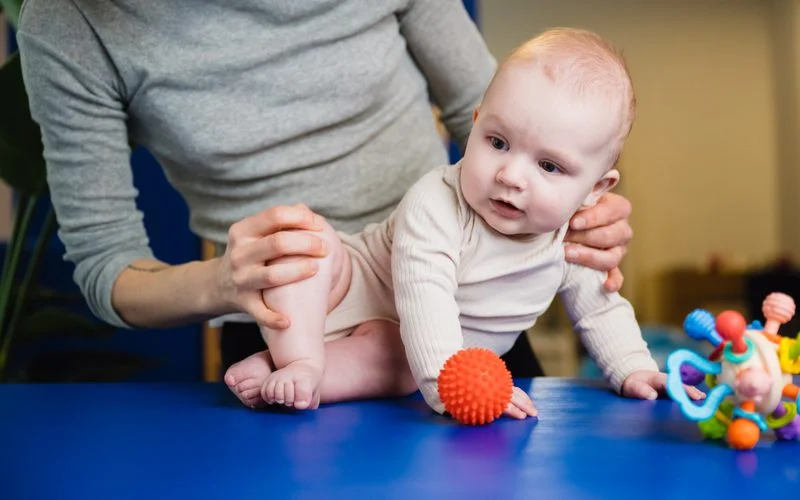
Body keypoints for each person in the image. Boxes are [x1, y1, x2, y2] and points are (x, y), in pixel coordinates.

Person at [17, 0, 633, 398]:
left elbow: (503, 108)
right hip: (290, 326)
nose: (514, 174)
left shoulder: (508, 198)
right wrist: (226, 284)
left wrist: (582, 215)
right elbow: (105, 263)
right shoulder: (73, 22)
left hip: (471, 318)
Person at [223, 27, 707, 416]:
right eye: (497, 142)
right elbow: (424, 295)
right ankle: (300, 357)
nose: (511, 175)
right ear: (475, 124)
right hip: (346, 290)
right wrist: (450, 388)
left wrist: (633, 368)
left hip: (399, 351)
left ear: (596, 190)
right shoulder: (435, 202)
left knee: (396, 370)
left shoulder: (570, 240)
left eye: (549, 166)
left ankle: (290, 374)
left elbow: (600, 309)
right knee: (300, 242)